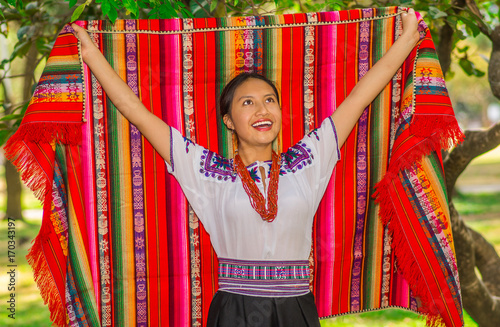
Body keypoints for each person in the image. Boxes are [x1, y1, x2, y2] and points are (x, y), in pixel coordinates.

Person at [72, 8, 418, 327]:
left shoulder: (307, 162)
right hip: (234, 311)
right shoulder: (208, 172)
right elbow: (134, 109)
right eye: (247, 103)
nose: (262, 110)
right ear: (229, 121)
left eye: (270, 100)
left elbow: (360, 96)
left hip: (295, 308)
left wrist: (407, 39)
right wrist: (90, 54)